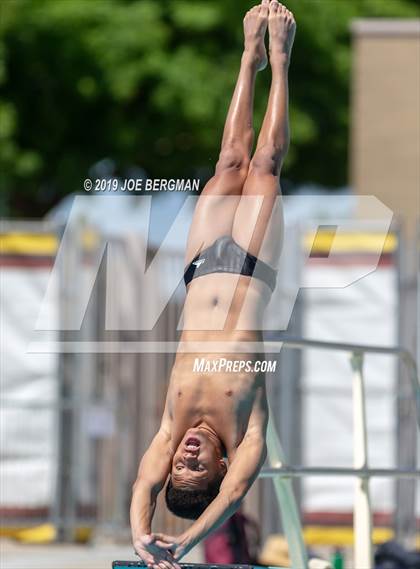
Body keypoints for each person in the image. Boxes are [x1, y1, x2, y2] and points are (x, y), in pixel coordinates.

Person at [130, 2, 295, 568]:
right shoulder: (248, 429)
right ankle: (280, 56)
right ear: (220, 465)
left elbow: (142, 488)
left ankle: (248, 57)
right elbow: (233, 497)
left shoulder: (171, 425)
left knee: (229, 161)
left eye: (178, 462)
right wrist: (189, 542)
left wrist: (142, 536)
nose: (187, 454)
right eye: (196, 464)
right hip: (252, 266)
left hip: (200, 266)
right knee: (266, 165)